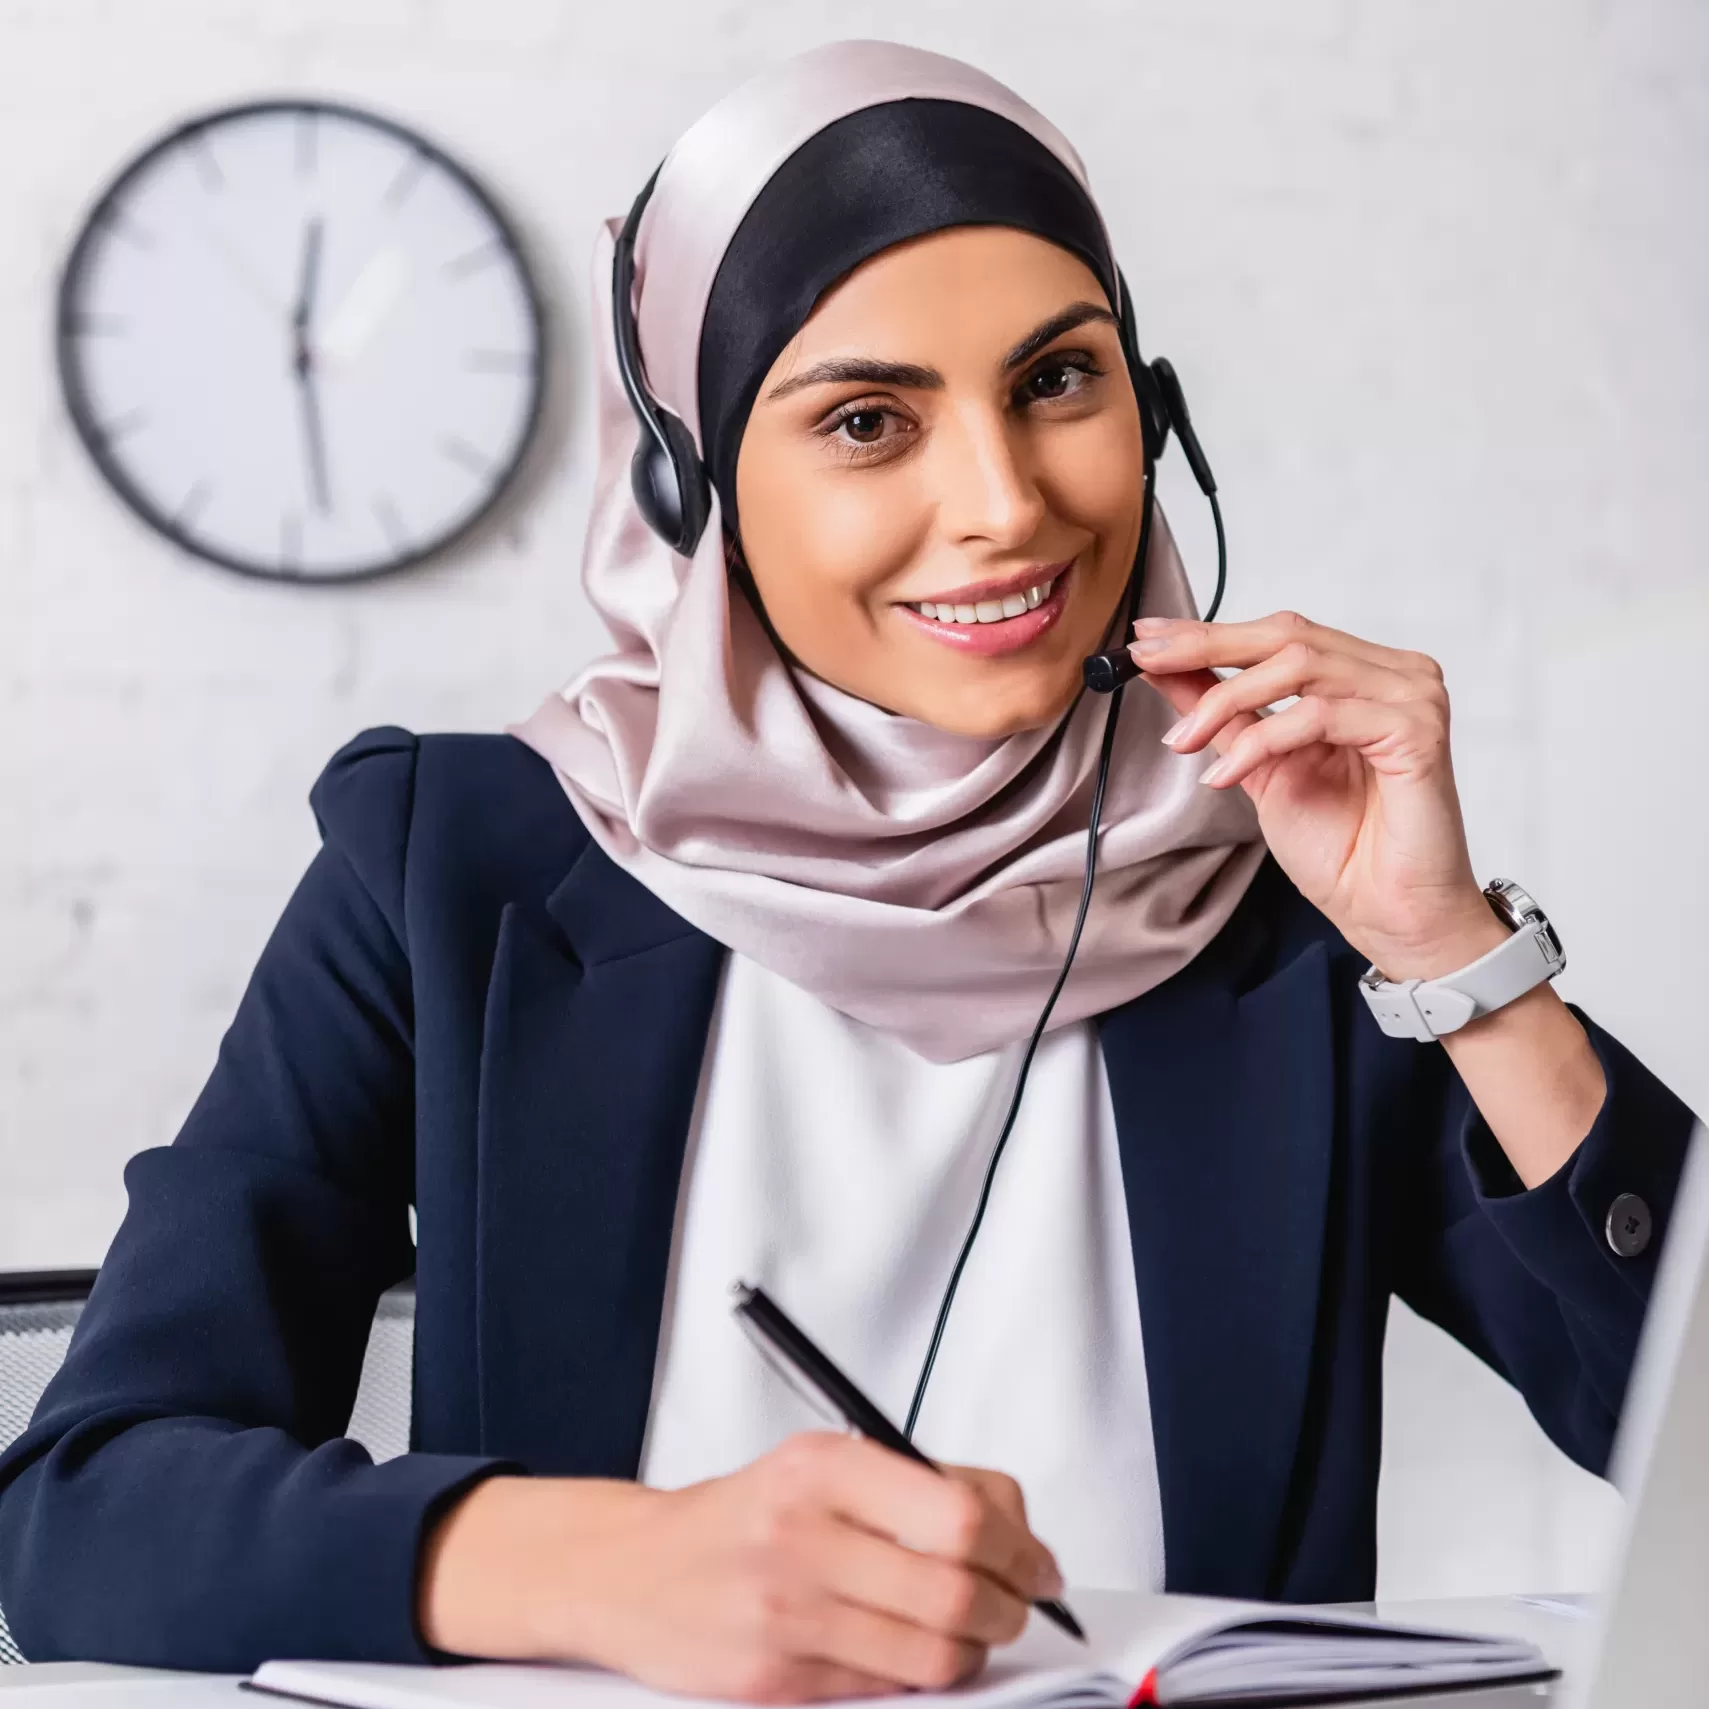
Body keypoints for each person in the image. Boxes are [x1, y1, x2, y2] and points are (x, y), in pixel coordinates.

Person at [0, 38, 1697, 1702]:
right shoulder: (454, 868)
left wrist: (1454, 956)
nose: (1006, 508)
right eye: (871, 420)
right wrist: (608, 1570)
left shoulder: (1279, 885)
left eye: (1058, 380)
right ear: (691, 481)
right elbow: (80, 1514)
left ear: (1151, 408)